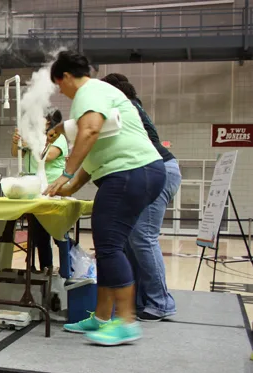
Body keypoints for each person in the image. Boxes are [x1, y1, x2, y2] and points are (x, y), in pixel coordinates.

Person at [46, 51, 166, 346]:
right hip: (133, 173)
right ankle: (100, 317)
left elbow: (90, 130)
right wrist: (68, 188)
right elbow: (95, 153)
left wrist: (65, 172)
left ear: (66, 77)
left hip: (133, 172)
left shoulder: (90, 90)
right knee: (108, 245)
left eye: (59, 86)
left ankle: (126, 322)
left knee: (110, 245)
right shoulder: (98, 97)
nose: (62, 92)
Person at [102, 73, 180, 322]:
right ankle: (138, 300)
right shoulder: (133, 106)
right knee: (130, 239)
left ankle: (161, 302)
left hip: (157, 170)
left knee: (143, 237)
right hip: (152, 170)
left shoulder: (126, 109)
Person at [11, 111, 70, 272]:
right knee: (39, 235)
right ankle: (46, 268)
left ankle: (67, 270)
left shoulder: (58, 137)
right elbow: (15, 153)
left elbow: (49, 155)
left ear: (49, 121)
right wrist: (16, 141)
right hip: (34, 191)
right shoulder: (32, 137)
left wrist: (29, 141)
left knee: (59, 235)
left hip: (54, 190)